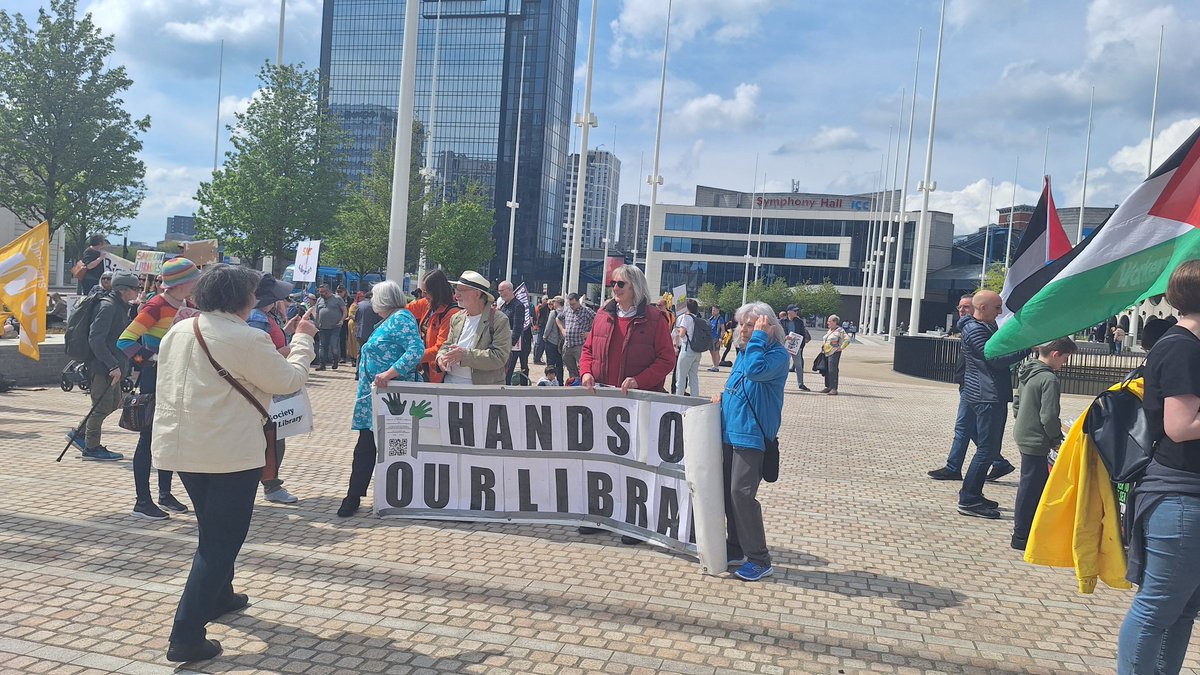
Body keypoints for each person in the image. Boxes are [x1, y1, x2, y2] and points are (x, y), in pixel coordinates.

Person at [153, 264, 316, 663]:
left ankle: (221, 596)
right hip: (228, 453)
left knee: (211, 528)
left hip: (183, 448)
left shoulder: (179, 330)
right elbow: (289, 381)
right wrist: (303, 341)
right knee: (220, 543)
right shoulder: (247, 337)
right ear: (242, 299)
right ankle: (186, 635)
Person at [1117, 261, 1200, 674]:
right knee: (1157, 609)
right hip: (1180, 497)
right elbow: (1181, 427)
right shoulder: (1181, 348)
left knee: (1182, 609)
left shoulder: (1186, 345)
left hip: (1185, 495)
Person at [579, 264, 676, 543]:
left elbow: (666, 359)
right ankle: (601, 514)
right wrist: (585, 371)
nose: (615, 288)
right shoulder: (603, 315)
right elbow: (587, 350)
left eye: (621, 284)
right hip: (603, 403)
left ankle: (636, 521)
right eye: (613, 283)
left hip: (637, 403)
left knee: (636, 462)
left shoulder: (655, 319)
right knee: (602, 460)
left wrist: (639, 380)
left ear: (636, 287)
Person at [116, 258, 201, 519]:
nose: (198, 283)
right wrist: (153, 359)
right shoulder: (156, 305)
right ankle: (142, 501)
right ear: (182, 283)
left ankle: (164, 494)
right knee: (148, 440)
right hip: (156, 379)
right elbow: (126, 340)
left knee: (169, 437)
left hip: (176, 378)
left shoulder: (187, 305)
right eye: (194, 279)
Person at [711, 301, 790, 581]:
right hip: (730, 433)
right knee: (727, 494)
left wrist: (759, 337)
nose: (744, 330)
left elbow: (756, 372)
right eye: (742, 324)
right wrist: (723, 396)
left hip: (752, 437)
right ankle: (735, 547)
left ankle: (759, 558)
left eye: (751, 325)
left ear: (769, 327)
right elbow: (738, 383)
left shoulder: (778, 355)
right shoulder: (745, 352)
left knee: (741, 495)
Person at [338, 280, 425, 518]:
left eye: (374, 296)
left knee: (383, 447)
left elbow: (416, 350)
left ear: (383, 300)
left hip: (393, 399)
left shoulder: (401, 319)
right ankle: (354, 495)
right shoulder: (390, 320)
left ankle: (361, 496)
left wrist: (390, 373)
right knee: (366, 447)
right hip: (376, 397)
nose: (371, 300)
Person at [956, 290, 1029, 519]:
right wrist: (1027, 347)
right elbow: (995, 360)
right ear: (983, 308)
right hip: (986, 395)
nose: (1000, 312)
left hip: (988, 393)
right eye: (997, 307)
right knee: (986, 450)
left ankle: (973, 494)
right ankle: (968, 499)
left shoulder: (984, 326)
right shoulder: (975, 329)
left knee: (987, 449)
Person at [929, 294, 1015, 481]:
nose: (962, 311)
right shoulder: (976, 328)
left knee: (968, 429)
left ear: (978, 307)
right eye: (960, 307)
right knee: (968, 429)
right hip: (974, 386)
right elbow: (991, 358)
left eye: (966, 307)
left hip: (977, 387)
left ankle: (959, 468)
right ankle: (986, 466)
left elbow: (991, 358)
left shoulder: (983, 326)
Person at [66, 271, 141, 461]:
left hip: (111, 365)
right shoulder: (108, 307)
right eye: (136, 288)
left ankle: (79, 435)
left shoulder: (120, 305)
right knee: (101, 406)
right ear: (124, 290)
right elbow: (96, 339)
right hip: (102, 366)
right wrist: (111, 365)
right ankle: (91, 448)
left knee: (113, 403)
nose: (139, 291)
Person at [1010, 338, 1075, 551]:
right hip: (1037, 438)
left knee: (1030, 483)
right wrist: (1056, 437)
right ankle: (1022, 534)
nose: (1064, 364)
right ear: (1055, 354)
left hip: (1024, 432)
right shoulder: (1049, 379)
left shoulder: (1027, 371)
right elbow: (1048, 416)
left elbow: (1017, 402)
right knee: (1031, 487)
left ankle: (1025, 531)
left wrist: (1021, 419)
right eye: (1065, 359)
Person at [247, 273, 303, 504]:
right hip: (266, 388)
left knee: (272, 436)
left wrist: (288, 331)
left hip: (268, 385)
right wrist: (295, 346)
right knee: (272, 437)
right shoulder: (257, 318)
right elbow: (260, 357)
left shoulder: (262, 316)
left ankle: (269, 484)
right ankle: (270, 485)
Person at [437, 272, 512, 385]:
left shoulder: (499, 320)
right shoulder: (457, 318)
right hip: (450, 386)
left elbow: (499, 357)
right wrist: (441, 357)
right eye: (456, 290)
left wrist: (464, 356)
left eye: (461, 290)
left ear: (477, 294)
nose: (456, 295)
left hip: (479, 393)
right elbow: (447, 345)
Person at [405, 269, 459, 383]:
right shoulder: (428, 303)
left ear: (437, 292)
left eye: (426, 291)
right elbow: (405, 310)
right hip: (426, 367)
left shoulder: (452, 313)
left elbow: (440, 348)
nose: (423, 295)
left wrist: (411, 357)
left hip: (440, 372)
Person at [498, 280, 529, 384]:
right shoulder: (504, 306)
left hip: (511, 346)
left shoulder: (518, 306)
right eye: (499, 291)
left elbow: (517, 327)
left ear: (510, 290)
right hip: (501, 343)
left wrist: (510, 344)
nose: (500, 293)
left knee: (507, 373)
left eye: (502, 291)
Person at [559, 292, 595, 381]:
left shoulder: (586, 311)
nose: (572, 306)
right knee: (571, 369)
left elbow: (599, 321)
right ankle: (573, 383)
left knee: (583, 368)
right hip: (567, 345)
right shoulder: (567, 310)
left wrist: (590, 333)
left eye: (573, 304)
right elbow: (558, 319)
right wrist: (562, 329)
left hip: (580, 345)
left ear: (578, 301)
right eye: (570, 304)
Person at [313, 284, 347, 370]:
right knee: (322, 346)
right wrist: (316, 322)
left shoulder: (337, 299)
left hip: (335, 327)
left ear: (327, 291)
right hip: (323, 327)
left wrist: (342, 320)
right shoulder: (319, 300)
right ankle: (322, 365)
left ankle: (335, 360)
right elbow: (317, 312)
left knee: (333, 345)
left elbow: (344, 311)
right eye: (319, 292)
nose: (320, 293)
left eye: (322, 292)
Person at [674, 299, 704, 396]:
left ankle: (679, 399)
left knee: (680, 377)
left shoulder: (686, 318)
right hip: (697, 351)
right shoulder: (698, 318)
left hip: (687, 349)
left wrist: (677, 330)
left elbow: (682, 334)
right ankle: (695, 398)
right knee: (693, 377)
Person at [781, 304, 812, 392]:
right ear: (789, 312)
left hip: (796, 347)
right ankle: (781, 384)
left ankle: (801, 384)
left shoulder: (799, 322)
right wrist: (784, 337)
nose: (796, 312)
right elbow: (779, 333)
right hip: (784, 346)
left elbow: (802, 334)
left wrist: (801, 346)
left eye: (796, 311)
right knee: (783, 366)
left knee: (798, 365)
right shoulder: (782, 321)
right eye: (794, 311)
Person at [819, 314, 848, 395]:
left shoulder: (840, 330)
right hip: (826, 352)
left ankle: (834, 388)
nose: (828, 323)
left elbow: (847, 340)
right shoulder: (830, 330)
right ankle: (828, 386)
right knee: (827, 369)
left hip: (834, 352)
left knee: (833, 370)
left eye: (829, 321)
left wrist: (841, 348)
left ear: (835, 322)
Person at [542, 296, 565, 383]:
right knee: (560, 364)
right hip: (561, 343)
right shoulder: (567, 312)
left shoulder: (553, 313)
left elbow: (548, 327)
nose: (553, 304)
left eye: (554, 302)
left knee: (550, 363)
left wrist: (545, 337)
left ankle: (550, 381)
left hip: (552, 341)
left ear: (557, 303)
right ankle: (560, 381)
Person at [346, 291, 363, 366]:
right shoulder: (354, 305)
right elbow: (350, 315)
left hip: (360, 324)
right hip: (353, 324)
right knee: (353, 341)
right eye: (361, 297)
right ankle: (353, 357)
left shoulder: (362, 305)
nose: (362, 299)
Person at [533, 296, 551, 365]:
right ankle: (537, 359)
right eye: (546, 299)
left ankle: (538, 358)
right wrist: (546, 303)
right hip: (542, 326)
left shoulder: (547, 308)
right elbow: (540, 311)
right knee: (540, 343)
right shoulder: (541, 307)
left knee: (541, 344)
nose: (548, 301)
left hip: (545, 326)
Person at [707, 306, 724, 372]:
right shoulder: (711, 318)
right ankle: (714, 365)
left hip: (716, 338)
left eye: (714, 310)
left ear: (718, 311)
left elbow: (723, 329)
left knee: (716, 352)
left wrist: (720, 338)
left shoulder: (720, 319)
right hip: (710, 337)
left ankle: (716, 366)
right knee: (711, 351)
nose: (713, 311)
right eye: (712, 310)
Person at [336, 285, 351, 363]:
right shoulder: (335, 299)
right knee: (340, 339)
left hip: (347, 321)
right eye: (338, 291)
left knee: (349, 339)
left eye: (341, 292)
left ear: (345, 292)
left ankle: (350, 356)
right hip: (338, 321)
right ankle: (341, 356)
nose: (339, 293)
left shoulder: (349, 299)